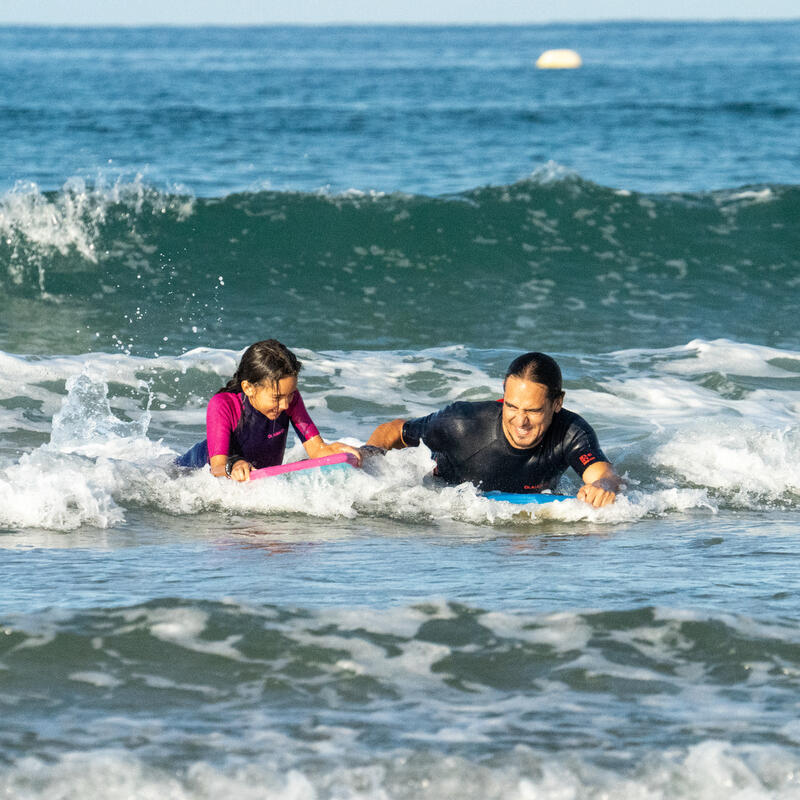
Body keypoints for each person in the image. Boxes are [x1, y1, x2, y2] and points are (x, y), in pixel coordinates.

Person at [365, 352, 621, 507]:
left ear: (557, 403)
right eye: (512, 407)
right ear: (504, 393)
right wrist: (368, 453)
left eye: (532, 411)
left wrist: (603, 487)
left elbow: (603, 473)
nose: (521, 421)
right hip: (447, 505)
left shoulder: (571, 432)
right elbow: (394, 430)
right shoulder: (462, 423)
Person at [177, 339, 361, 482]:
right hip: (188, 473)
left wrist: (334, 451)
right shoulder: (224, 404)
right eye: (277, 398)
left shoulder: (290, 399)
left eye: (289, 395)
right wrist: (235, 464)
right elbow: (217, 468)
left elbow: (316, 450)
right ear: (249, 388)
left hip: (252, 475)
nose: (285, 405)